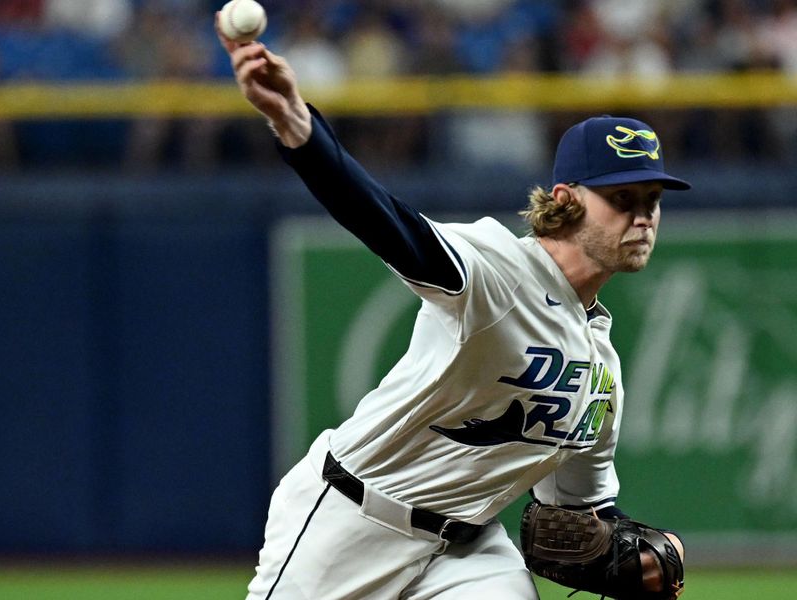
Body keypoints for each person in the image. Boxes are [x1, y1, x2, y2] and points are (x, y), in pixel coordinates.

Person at [217, 17, 689, 600]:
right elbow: (383, 221)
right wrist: (295, 123)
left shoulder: (602, 372)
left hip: (467, 551)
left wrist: (629, 552)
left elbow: (581, 511)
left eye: (652, 200)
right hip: (351, 520)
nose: (643, 215)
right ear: (566, 201)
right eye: (622, 198)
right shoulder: (498, 272)